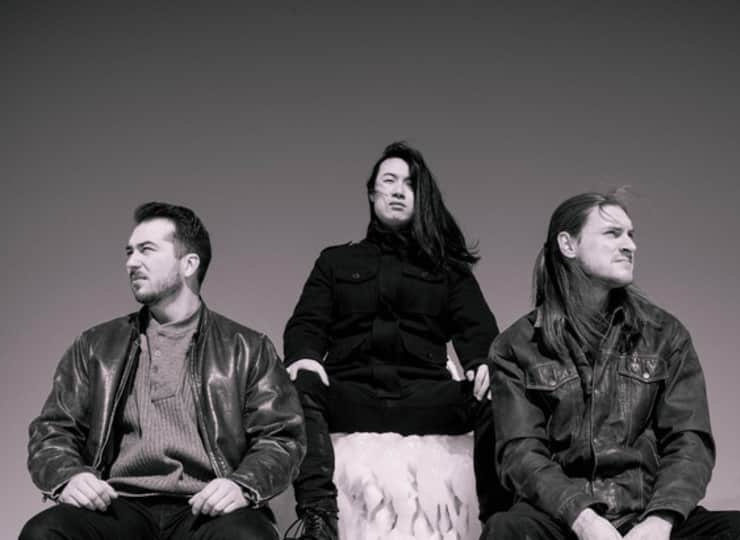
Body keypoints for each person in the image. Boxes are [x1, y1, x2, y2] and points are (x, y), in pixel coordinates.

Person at [482, 192, 740, 539]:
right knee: (506, 530)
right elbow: (521, 453)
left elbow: (689, 441)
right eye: (612, 233)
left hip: (648, 515)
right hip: (561, 521)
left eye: (631, 235)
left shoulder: (666, 335)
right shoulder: (516, 346)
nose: (630, 246)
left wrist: (660, 521)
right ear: (568, 244)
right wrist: (584, 521)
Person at [21, 202, 305, 540]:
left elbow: (281, 437)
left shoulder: (247, 347)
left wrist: (242, 485)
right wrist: (69, 476)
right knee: (44, 532)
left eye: (146, 250)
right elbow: (53, 430)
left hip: (207, 507)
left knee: (248, 537)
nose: (131, 262)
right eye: (129, 252)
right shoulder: (96, 346)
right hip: (118, 505)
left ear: (189, 264)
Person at [283, 142, 511, 539]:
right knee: (296, 385)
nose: (398, 191)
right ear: (371, 193)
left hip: (424, 397)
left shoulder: (448, 268)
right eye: (389, 181)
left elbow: (477, 328)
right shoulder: (335, 261)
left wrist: (482, 363)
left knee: (499, 391)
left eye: (410, 184)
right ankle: (320, 519)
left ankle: (498, 521)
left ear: (421, 198)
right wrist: (304, 356)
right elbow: (307, 323)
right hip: (351, 396)